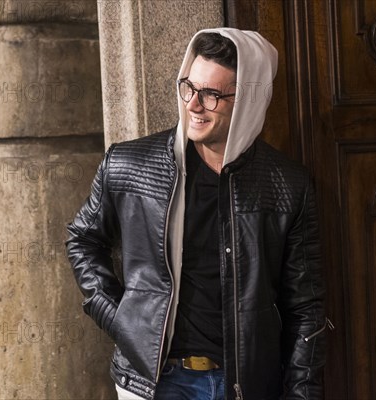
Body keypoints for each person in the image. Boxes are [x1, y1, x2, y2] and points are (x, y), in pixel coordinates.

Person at [66, 28, 328, 400]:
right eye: (189, 86)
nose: (192, 104)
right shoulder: (129, 164)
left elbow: (305, 306)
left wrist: (302, 395)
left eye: (211, 94)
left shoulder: (288, 185)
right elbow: (82, 240)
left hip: (245, 384)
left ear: (248, 101)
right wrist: (120, 318)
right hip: (153, 383)